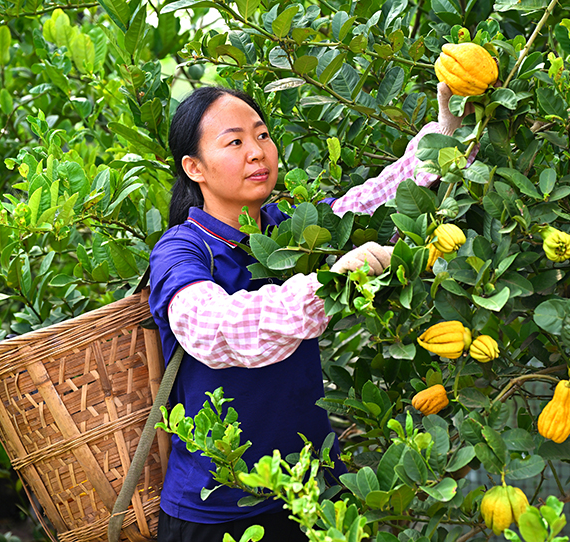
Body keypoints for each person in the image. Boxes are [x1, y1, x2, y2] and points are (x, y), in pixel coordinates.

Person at [148, 82, 472, 542]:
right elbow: (215, 328)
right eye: (235, 142)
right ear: (194, 167)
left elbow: (371, 203)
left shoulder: (290, 232)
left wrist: (447, 132)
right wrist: (327, 284)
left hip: (313, 494)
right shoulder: (182, 251)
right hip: (217, 511)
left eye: (262, 135)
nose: (257, 152)